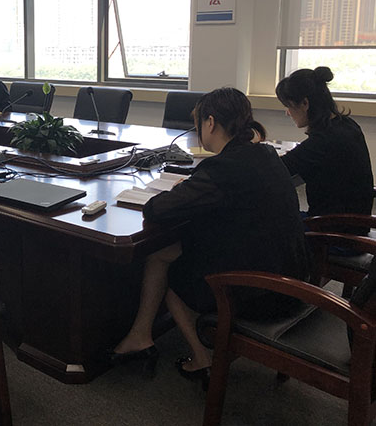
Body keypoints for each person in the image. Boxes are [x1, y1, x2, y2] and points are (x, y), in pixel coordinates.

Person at [110, 88, 309, 383]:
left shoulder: (223, 168)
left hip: (262, 290)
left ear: (211, 122)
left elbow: (155, 209)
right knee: (163, 252)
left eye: (199, 123)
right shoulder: (265, 153)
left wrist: (183, 189)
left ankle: (204, 360)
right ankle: (140, 335)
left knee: (177, 276)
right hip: (292, 274)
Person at [275, 66, 373, 219]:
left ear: (305, 103)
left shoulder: (322, 141)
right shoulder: (348, 125)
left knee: (264, 221)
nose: (287, 112)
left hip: (329, 226)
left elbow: (275, 169)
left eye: (288, 106)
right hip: (356, 222)